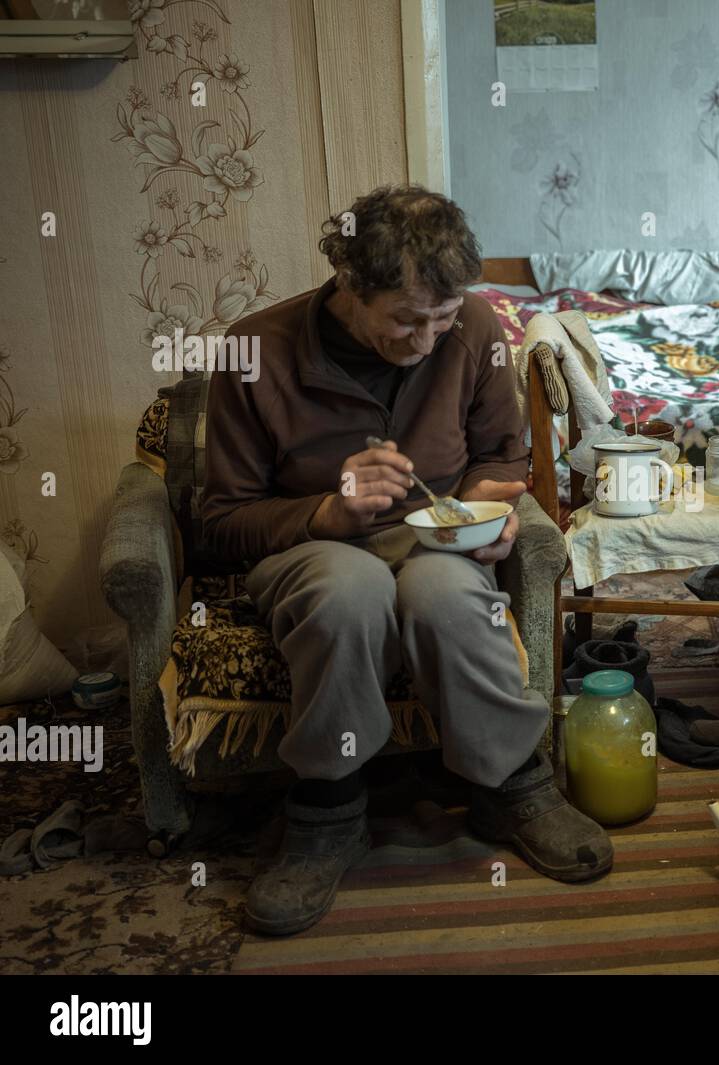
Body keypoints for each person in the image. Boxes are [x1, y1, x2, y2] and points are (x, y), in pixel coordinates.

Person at [202, 185, 612, 937]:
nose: (427, 340)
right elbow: (221, 521)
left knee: (448, 595)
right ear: (351, 286)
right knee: (348, 588)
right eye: (404, 319)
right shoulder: (254, 351)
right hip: (311, 546)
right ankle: (328, 810)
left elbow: (502, 456)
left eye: (444, 318)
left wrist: (491, 513)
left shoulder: (478, 327)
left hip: (433, 540)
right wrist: (327, 511)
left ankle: (512, 783)